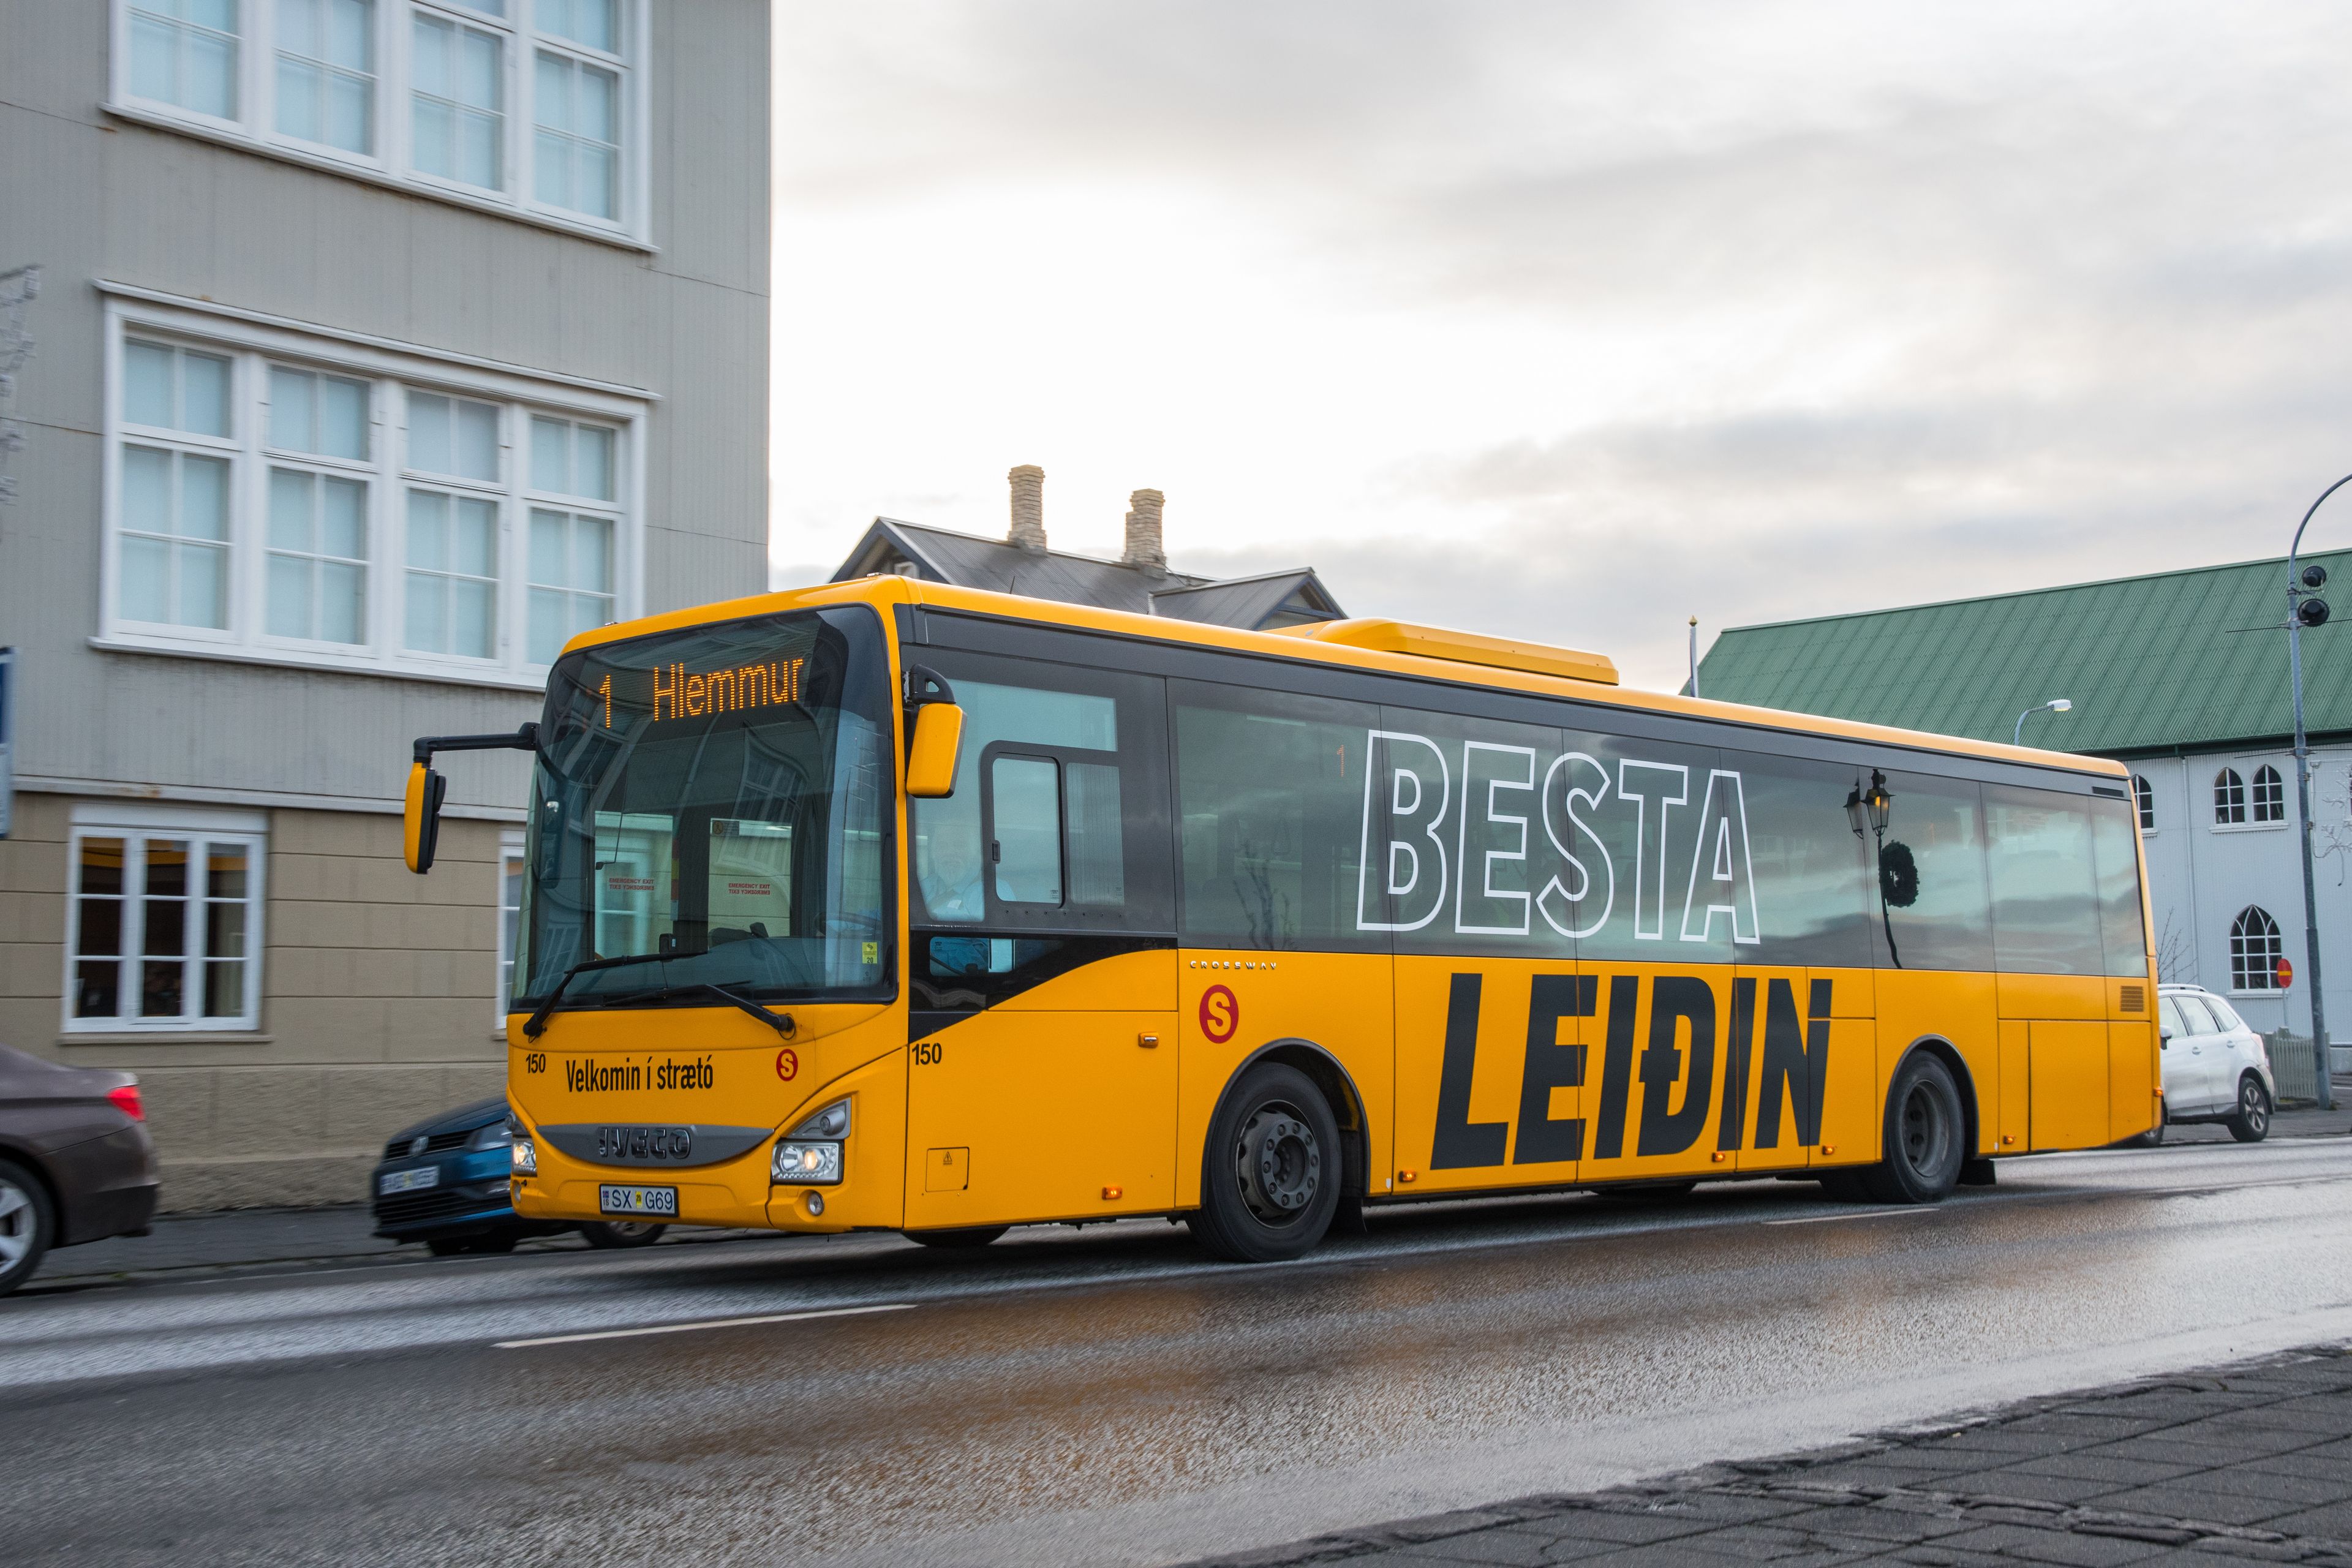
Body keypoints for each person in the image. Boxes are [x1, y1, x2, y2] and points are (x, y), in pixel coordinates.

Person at [920, 827, 985, 922]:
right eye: (942, 845)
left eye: (959, 845)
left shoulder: (989, 891)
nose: (949, 853)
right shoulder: (924, 886)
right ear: (933, 853)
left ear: (973, 853)